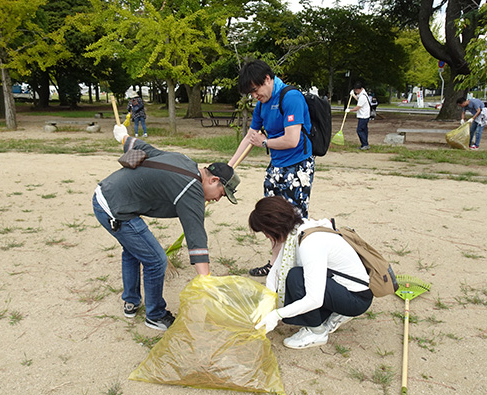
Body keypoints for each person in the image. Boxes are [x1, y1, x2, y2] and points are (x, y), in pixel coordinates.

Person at [92, 124, 240, 331]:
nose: (218, 199)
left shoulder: (186, 161)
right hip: (114, 207)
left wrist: (124, 138)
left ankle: (131, 301)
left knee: (133, 250)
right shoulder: (192, 189)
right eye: (222, 193)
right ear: (213, 180)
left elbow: (148, 150)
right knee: (156, 260)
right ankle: (155, 315)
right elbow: (196, 236)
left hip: (108, 193)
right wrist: (206, 282)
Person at [228, 59, 315, 278]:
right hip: (276, 166)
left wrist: (264, 142)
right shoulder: (261, 105)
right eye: (250, 93)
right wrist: (229, 167)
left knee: (295, 219)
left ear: (268, 79)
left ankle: (298, 268)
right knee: (272, 218)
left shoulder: (291, 97)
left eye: (255, 90)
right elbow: (250, 137)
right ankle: (275, 264)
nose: (254, 96)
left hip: (298, 167)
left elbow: (292, 139)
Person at [250, 196, 373, 349]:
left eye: (265, 232)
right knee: (295, 278)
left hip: (357, 299)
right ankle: (334, 312)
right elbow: (275, 272)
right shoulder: (299, 230)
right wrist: (265, 305)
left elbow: (314, 299)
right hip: (343, 287)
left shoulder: (310, 243)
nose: (267, 237)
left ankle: (317, 332)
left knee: (296, 278)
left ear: (274, 226)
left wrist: (277, 314)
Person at [346, 82, 371, 150]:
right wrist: (353, 95)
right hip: (364, 115)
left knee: (359, 130)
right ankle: (365, 144)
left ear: (361, 89)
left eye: (357, 90)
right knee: (364, 130)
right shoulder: (362, 94)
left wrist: (349, 110)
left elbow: (358, 107)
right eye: (355, 90)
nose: (356, 91)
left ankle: (365, 144)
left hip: (363, 116)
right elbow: (358, 99)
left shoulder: (363, 96)